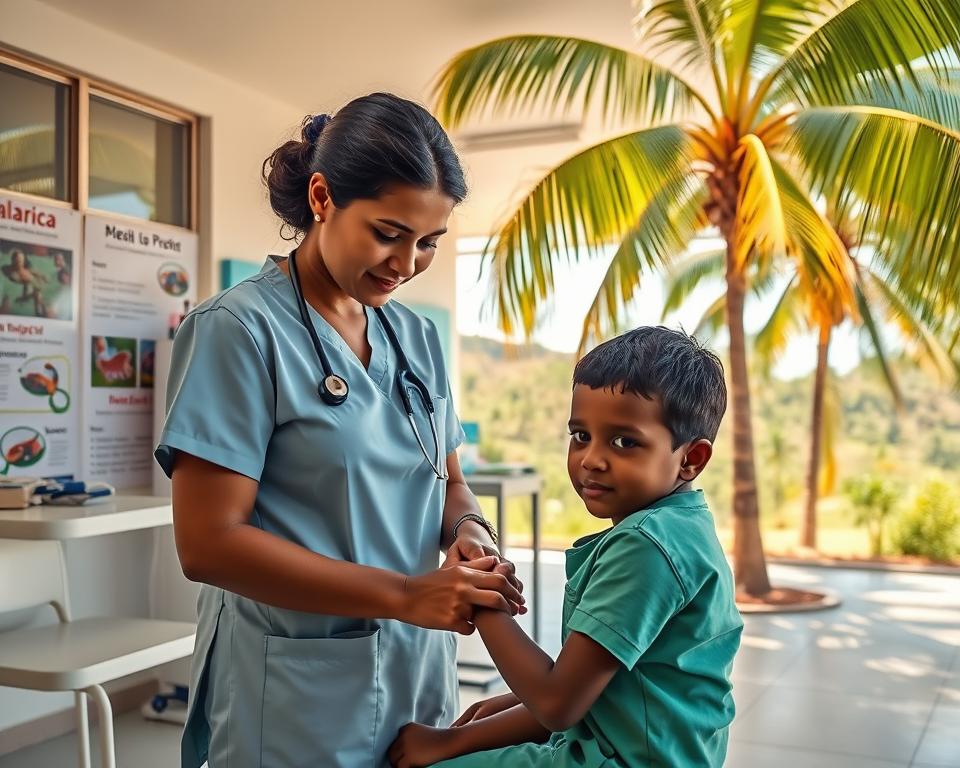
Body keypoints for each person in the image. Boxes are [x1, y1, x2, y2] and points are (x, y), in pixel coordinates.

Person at [155, 92, 525, 768]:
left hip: (415, 665)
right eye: (388, 233)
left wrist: (470, 530)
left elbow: (449, 481)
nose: (406, 263)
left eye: (429, 243)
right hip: (295, 684)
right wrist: (409, 594)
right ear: (322, 197)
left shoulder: (413, 335)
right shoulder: (238, 331)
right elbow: (208, 544)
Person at [390, 327, 744, 768]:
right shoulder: (684, 526)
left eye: (624, 442)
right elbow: (589, 692)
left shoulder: (646, 547)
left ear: (691, 459)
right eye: (580, 435)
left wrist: (480, 595)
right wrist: (480, 726)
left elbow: (557, 703)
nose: (591, 459)